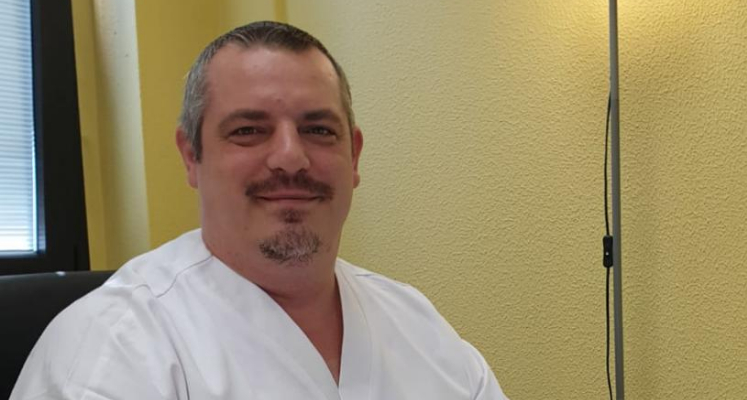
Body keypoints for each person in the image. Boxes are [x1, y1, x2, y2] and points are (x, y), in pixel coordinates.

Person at [11, 21, 507, 399]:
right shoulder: (114, 351)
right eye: (248, 130)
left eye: (318, 130)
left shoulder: (419, 325)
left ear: (354, 156)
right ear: (192, 156)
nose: (291, 156)